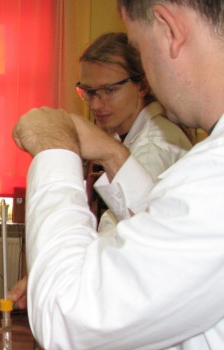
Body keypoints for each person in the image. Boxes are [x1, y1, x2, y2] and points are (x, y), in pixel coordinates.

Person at [9, 0, 224, 350]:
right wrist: (112, 154)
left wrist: (53, 149)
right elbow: (171, 243)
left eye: (138, 46)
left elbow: (69, 311)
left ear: (169, 28)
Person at [76, 31, 192, 233]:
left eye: (110, 90)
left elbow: (127, 234)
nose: (95, 105)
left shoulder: (152, 149)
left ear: (142, 85)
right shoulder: (134, 134)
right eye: (89, 92)